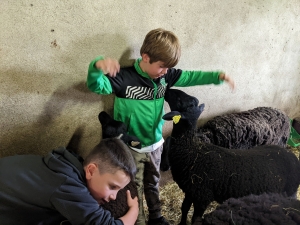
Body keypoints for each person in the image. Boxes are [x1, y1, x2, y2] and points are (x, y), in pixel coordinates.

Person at [87, 28, 235, 225]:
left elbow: (191, 77)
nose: (165, 72)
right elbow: (96, 86)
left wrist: (217, 76)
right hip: (132, 147)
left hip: (156, 144)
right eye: (162, 67)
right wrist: (97, 66)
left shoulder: (166, 77)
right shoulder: (124, 78)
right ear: (145, 57)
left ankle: (156, 217)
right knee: (134, 187)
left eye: (168, 68)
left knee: (153, 182)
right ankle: (138, 220)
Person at [0, 138, 138, 225]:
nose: (114, 196)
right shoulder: (66, 185)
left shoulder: (67, 166)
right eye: (112, 186)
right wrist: (134, 210)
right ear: (91, 170)